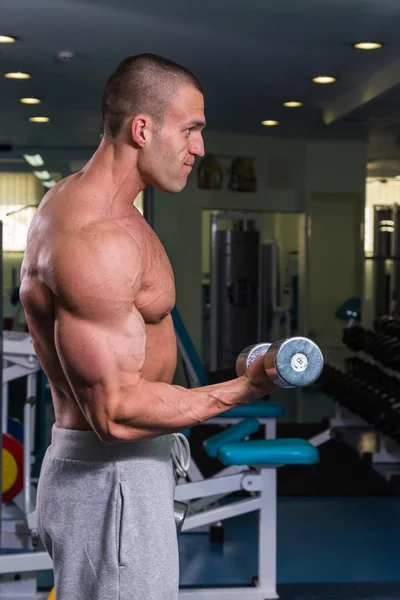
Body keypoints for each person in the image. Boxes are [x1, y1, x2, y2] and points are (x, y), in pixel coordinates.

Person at [20, 53, 279, 600]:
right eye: (190, 129)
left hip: (126, 476)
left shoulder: (103, 207)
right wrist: (245, 388)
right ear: (142, 128)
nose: (200, 148)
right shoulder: (94, 240)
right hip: (111, 480)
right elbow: (114, 414)